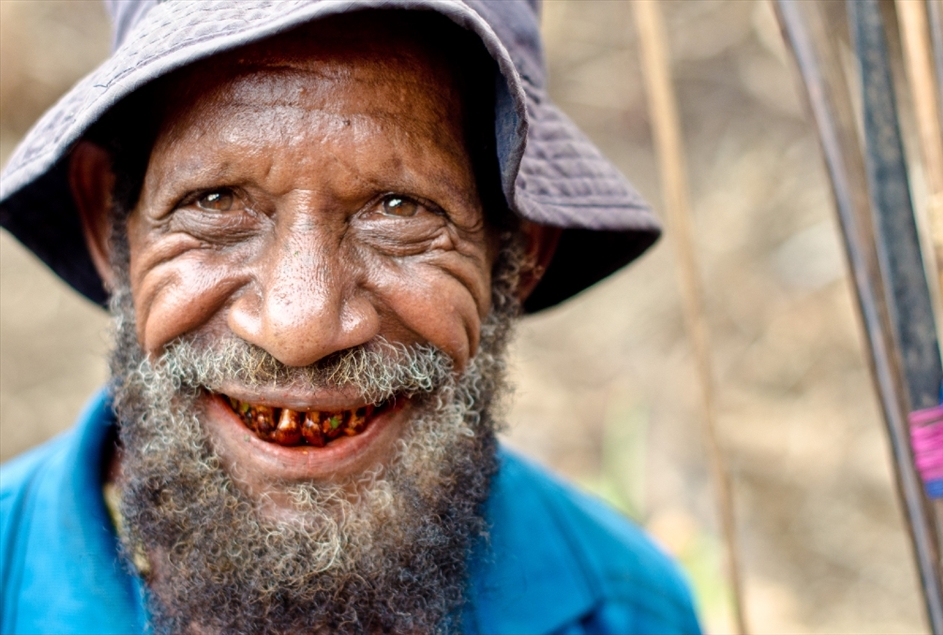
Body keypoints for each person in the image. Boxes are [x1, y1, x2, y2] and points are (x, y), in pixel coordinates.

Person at [0, 2, 701, 634]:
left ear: (517, 251)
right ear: (108, 225)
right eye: (214, 201)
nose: (300, 328)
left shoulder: (629, 610)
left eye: (399, 208)